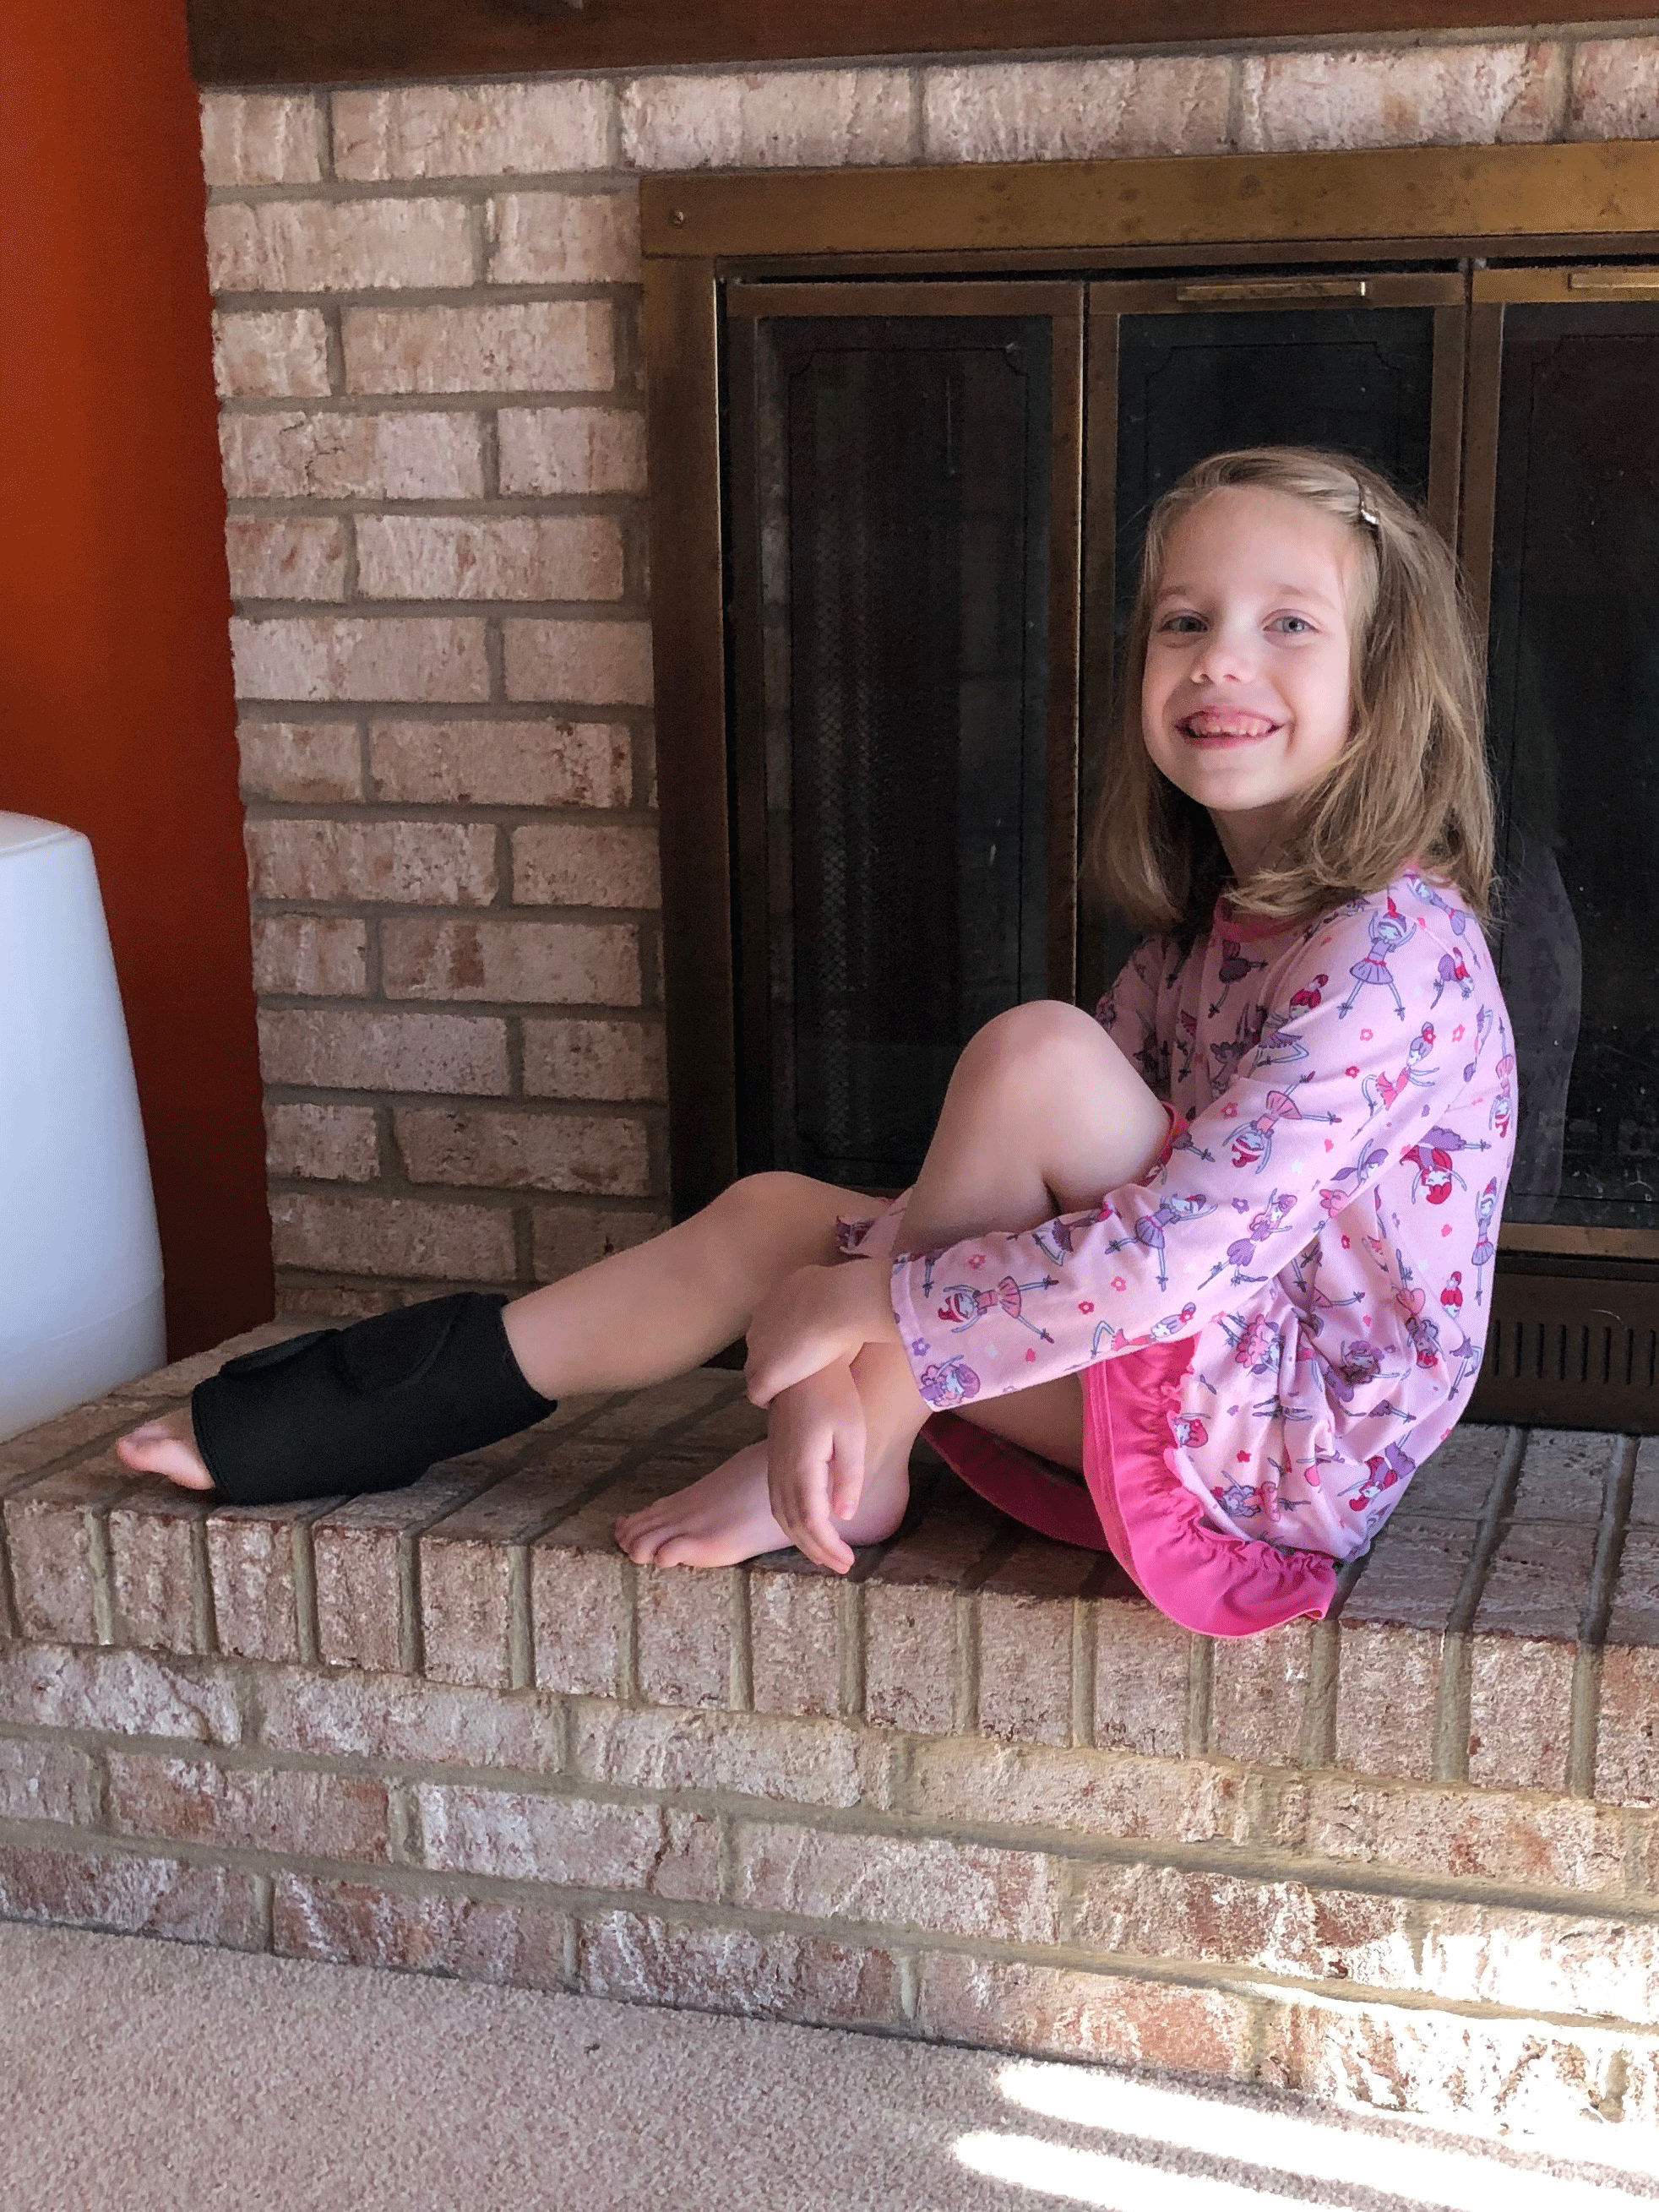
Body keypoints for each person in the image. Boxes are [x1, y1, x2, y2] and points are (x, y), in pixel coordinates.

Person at [117, 445, 1515, 1639]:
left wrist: (870, 1313)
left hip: (1284, 1454)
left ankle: (862, 1445)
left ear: (1383, 685)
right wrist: (849, 1288)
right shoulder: (1209, 934)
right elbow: (1045, 1209)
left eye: (1289, 625)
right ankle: (379, 1406)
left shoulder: (1393, 948)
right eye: (1183, 620)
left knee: (1031, 1061)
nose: (1221, 657)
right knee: (777, 1218)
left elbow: (1175, 1256)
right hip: (1200, 1373)